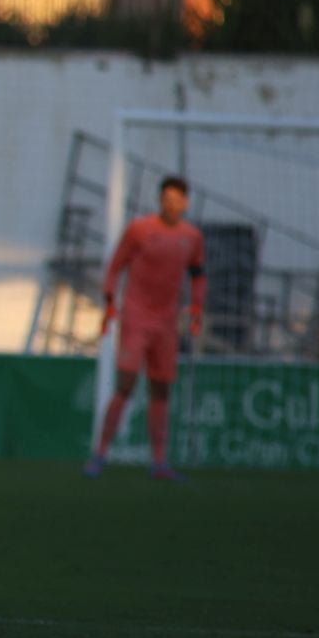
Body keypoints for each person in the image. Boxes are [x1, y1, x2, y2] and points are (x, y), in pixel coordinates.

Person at [84, 176, 207, 482]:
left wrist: (195, 308)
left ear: (185, 203)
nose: (172, 204)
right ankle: (99, 454)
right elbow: (115, 266)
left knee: (162, 389)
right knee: (125, 384)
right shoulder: (140, 229)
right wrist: (111, 301)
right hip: (137, 318)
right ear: (160, 200)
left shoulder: (191, 237)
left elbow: (198, 275)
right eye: (167, 198)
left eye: (177, 199)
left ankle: (159, 462)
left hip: (167, 323)